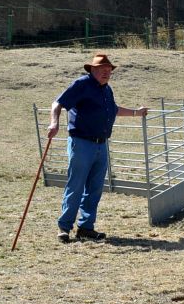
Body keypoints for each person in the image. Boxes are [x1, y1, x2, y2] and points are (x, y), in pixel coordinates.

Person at [46, 52, 148, 243]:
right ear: (92, 69)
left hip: (101, 145)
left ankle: (86, 227)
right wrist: (54, 123)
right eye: (102, 69)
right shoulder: (82, 84)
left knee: (94, 189)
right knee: (75, 186)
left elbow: (114, 109)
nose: (106, 73)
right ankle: (64, 227)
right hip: (82, 143)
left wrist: (136, 112)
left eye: (109, 70)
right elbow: (57, 103)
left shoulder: (106, 89)